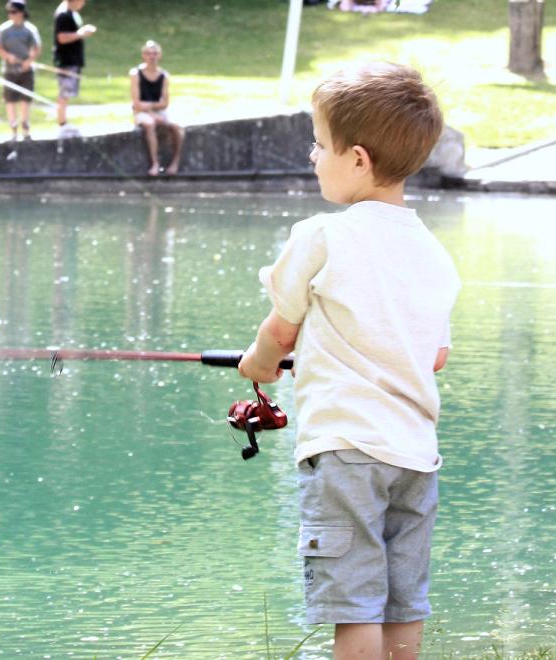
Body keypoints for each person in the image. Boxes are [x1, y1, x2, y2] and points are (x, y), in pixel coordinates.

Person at [237, 62, 459, 660]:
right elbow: (433, 356)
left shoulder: (321, 236)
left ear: (357, 159)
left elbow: (281, 332)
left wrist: (256, 365)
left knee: (353, 604)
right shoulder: (436, 256)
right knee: (402, 602)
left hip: (345, 451)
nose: (313, 156)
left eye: (319, 143)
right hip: (416, 455)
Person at [130, 40, 183, 176]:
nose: (151, 57)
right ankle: (154, 163)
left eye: (154, 54)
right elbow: (136, 103)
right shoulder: (135, 74)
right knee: (149, 123)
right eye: (148, 54)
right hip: (141, 112)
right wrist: (151, 111)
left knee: (177, 126)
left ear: (159, 55)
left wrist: (152, 106)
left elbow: (165, 103)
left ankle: (175, 162)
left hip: (158, 111)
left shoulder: (164, 75)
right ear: (143, 55)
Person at [0, 1, 41, 142]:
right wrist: (8, 57)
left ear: (21, 13)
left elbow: (36, 48)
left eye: (13, 12)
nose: (11, 15)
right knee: (10, 100)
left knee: (26, 100)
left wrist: (28, 62)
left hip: (26, 71)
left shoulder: (29, 30)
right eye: (9, 12)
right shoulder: (4, 29)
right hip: (9, 71)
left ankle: (25, 128)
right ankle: (13, 130)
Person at [52, 0, 95, 134]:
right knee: (65, 92)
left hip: (73, 59)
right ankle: (62, 123)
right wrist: (81, 33)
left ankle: (64, 121)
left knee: (68, 92)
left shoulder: (72, 13)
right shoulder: (63, 14)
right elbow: (62, 37)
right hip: (66, 60)